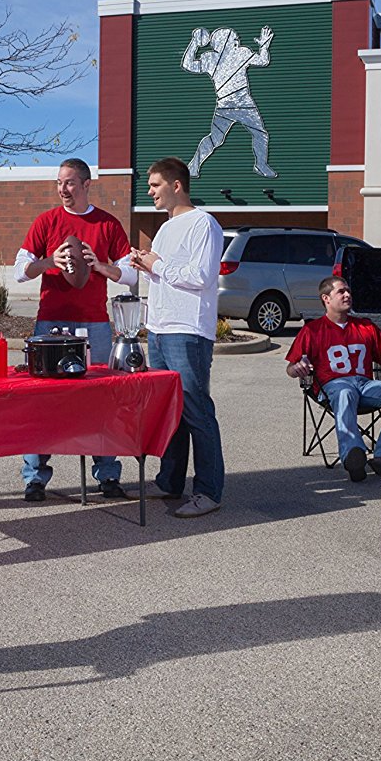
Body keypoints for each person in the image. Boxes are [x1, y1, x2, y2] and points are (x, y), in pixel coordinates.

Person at [12, 158, 133, 502]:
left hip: (95, 322)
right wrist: (49, 261)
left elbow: (131, 274)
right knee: (43, 401)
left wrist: (99, 265)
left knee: (101, 398)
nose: (63, 190)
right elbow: (19, 270)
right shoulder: (46, 222)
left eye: (69, 183)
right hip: (50, 322)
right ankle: (35, 478)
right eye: (59, 183)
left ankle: (107, 475)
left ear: (86, 184)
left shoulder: (107, 224)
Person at [125, 157, 227, 518]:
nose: (150, 191)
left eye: (155, 185)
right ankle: (170, 481)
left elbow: (200, 276)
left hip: (188, 330)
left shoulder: (204, 224)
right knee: (172, 411)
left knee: (197, 411)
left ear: (176, 185)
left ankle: (209, 491)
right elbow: (165, 276)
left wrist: (157, 266)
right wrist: (143, 265)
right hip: (160, 328)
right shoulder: (166, 228)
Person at [285, 276, 381, 481]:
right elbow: (291, 368)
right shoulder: (312, 330)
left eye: (349, 291)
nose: (347, 295)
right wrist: (296, 368)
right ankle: (353, 456)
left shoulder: (366, 327)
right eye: (341, 292)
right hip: (332, 388)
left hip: (365, 385)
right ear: (326, 298)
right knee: (345, 391)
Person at [181, 25, 277, 178]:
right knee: (215, 139)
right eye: (233, 39)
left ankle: (261, 165)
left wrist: (264, 45)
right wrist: (194, 42)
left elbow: (263, 61)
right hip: (226, 106)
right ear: (222, 42)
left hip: (244, 104)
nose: (237, 41)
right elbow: (187, 64)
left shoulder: (241, 53)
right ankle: (193, 167)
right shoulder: (210, 58)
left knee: (260, 134)